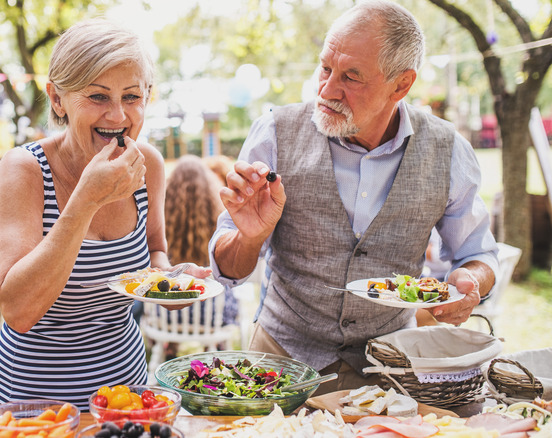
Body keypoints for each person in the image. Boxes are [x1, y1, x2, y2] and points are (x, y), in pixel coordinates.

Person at [209, 0, 499, 396]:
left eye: (351, 76)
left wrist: (472, 282)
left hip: (392, 364)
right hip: (280, 361)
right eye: (325, 67)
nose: (327, 90)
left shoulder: (448, 149)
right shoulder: (274, 132)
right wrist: (250, 236)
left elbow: (478, 254)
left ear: (401, 84)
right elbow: (229, 270)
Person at [0, 19, 210, 411]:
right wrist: (86, 200)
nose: (118, 116)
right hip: (33, 404)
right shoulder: (23, 170)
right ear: (57, 99)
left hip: (125, 396)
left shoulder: (148, 165)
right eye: (99, 97)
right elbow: (18, 310)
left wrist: (170, 280)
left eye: (132, 97)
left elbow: (155, 251)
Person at [159, 154, 239, 358]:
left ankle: (170, 346)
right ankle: (215, 348)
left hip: (166, 314)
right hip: (212, 313)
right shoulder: (218, 219)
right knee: (226, 292)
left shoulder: (161, 220)